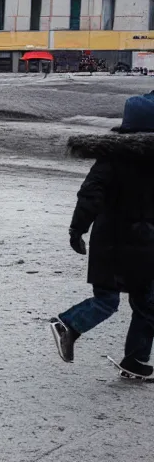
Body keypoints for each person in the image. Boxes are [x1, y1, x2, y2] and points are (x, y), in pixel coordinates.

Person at [50, 91, 154, 379]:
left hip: (109, 242)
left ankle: (131, 360)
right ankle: (71, 326)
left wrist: (77, 229)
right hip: (143, 244)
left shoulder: (111, 157)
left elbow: (90, 194)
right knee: (146, 304)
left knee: (110, 299)